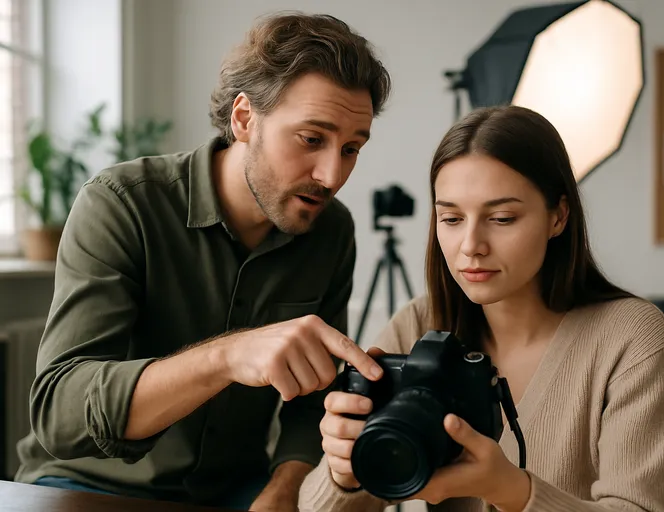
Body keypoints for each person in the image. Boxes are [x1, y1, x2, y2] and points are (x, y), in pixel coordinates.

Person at [14, 12, 391, 511]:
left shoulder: (331, 230)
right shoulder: (122, 204)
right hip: (87, 486)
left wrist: (286, 488)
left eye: (351, 148)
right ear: (243, 118)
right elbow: (60, 414)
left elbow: (312, 400)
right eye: (311, 139)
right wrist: (229, 355)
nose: (331, 174)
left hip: (236, 491)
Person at [298, 105, 664, 511]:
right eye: (450, 218)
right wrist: (343, 474)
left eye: (501, 218)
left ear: (559, 216)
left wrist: (509, 489)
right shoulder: (418, 324)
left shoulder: (630, 336)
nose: (470, 246)